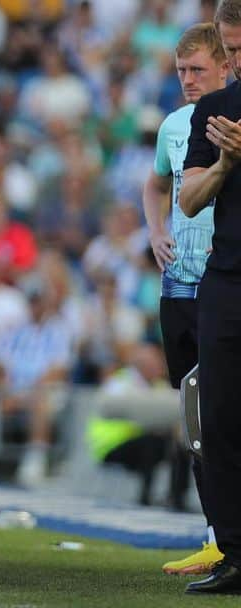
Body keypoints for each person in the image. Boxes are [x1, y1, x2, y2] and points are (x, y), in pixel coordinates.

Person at [141, 22, 228, 576]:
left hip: (224, 285)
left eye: (198, 69)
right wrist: (154, 231)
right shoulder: (174, 126)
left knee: (225, 413)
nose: (189, 80)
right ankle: (217, 535)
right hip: (180, 289)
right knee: (195, 416)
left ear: (225, 65)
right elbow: (155, 184)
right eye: (181, 71)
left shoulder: (228, 119)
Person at [178, 0, 241, 595]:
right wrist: (226, 162)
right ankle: (235, 552)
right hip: (225, 278)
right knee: (218, 419)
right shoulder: (216, 112)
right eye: (231, 51)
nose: (236, 62)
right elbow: (189, 199)